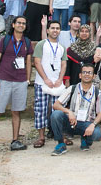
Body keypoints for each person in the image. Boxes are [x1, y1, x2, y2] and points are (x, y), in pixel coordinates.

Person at [0, 16, 33, 154]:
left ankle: (15, 140)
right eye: (19, 23)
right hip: (4, 79)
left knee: (16, 111)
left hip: (20, 81)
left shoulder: (26, 42)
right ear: (13, 25)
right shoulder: (5, 40)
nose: (21, 25)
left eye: (23, 23)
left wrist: (27, 79)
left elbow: (29, 62)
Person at [50, 63, 101, 155]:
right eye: (84, 72)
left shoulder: (97, 92)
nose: (87, 74)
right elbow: (56, 105)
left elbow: (100, 113)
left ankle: (85, 140)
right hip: (71, 122)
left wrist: (93, 125)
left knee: (97, 134)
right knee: (56, 115)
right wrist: (69, 112)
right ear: (80, 75)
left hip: (86, 124)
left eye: (89, 72)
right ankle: (61, 144)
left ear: (94, 76)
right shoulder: (72, 88)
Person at [33, 19, 67, 148]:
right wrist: (46, 79)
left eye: (57, 28)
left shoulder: (61, 47)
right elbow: (37, 62)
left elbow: (64, 64)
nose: (55, 30)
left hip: (57, 84)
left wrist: (60, 79)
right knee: (40, 110)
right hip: (42, 83)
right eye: (52, 28)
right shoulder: (41, 44)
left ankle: (60, 136)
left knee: (57, 111)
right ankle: (41, 137)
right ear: (47, 30)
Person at [64, 23, 97, 88]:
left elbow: (96, 65)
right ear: (78, 33)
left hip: (89, 79)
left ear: (90, 34)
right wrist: (67, 80)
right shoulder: (71, 48)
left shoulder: (94, 49)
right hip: (74, 78)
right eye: (82, 31)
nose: (84, 33)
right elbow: (67, 66)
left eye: (86, 31)